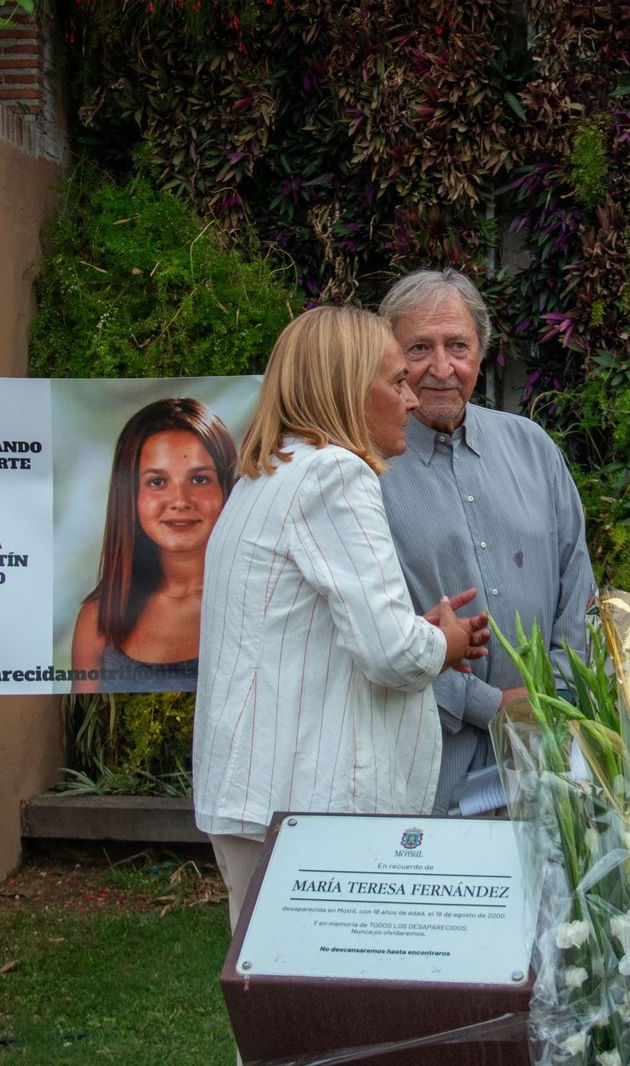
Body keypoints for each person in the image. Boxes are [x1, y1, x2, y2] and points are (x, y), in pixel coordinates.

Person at [192, 305, 488, 932]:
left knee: (274, 1001)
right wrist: (444, 641)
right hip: (310, 809)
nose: (410, 399)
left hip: (259, 798)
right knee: (320, 1013)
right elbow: (389, 652)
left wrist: (422, 632)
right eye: (395, 381)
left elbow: (325, 632)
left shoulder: (268, 477)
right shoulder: (336, 473)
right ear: (351, 391)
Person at [377, 269, 596, 815]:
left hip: (545, 758)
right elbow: (372, 630)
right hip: (425, 762)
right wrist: (488, 705)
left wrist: (556, 699)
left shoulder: (532, 446)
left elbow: (578, 584)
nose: (442, 368)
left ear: (481, 353)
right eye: (419, 348)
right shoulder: (367, 468)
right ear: (390, 358)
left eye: (458, 346)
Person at [71, 397, 237, 693]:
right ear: (130, 497)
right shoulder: (97, 619)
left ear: (226, 488)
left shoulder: (261, 603)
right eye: (157, 482)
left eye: (199, 479)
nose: (180, 501)